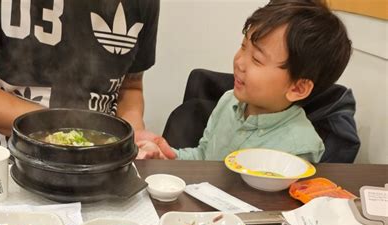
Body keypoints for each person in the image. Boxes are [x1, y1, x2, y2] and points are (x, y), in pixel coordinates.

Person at [0, 0, 175, 158]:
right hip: (10, 158)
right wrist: (68, 132)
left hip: (104, 162)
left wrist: (132, 135)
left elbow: (130, 88)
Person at [140, 0, 352, 162]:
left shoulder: (299, 146)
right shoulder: (228, 101)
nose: (240, 62)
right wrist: (168, 156)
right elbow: (204, 156)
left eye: (257, 59)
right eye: (243, 46)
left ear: (297, 87)